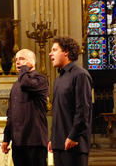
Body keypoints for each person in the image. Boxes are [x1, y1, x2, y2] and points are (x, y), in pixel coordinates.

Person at [48, 37, 92, 166]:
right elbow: (57, 112)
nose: (50, 54)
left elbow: (83, 110)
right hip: (59, 143)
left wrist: (73, 136)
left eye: (54, 50)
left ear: (66, 52)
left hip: (74, 144)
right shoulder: (59, 79)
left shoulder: (80, 75)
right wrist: (53, 138)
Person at [1, 49, 49, 166]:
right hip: (18, 142)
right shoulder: (16, 85)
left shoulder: (41, 80)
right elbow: (11, 114)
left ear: (32, 62)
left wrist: (24, 69)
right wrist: (6, 138)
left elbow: (26, 84)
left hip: (35, 141)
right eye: (16, 59)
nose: (17, 62)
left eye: (22, 59)